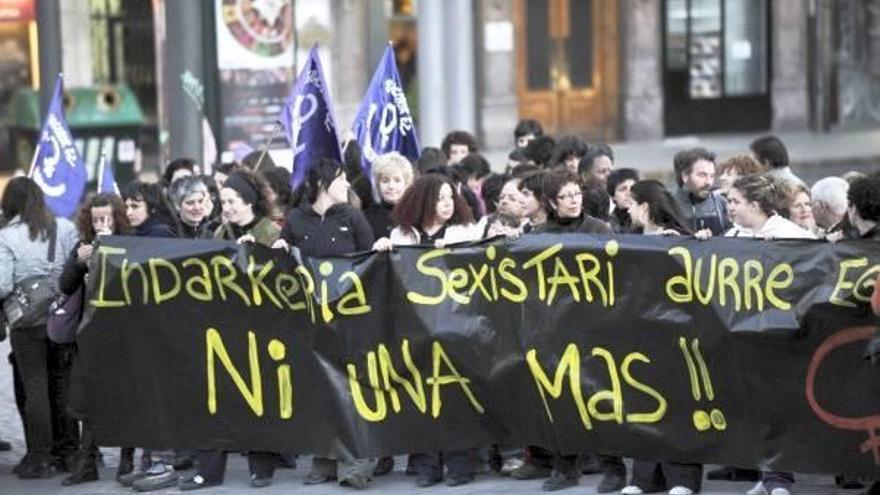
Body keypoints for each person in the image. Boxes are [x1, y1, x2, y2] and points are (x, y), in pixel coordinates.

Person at [273, 158, 377, 490]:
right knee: (320, 387)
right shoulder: (295, 219)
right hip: (311, 319)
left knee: (351, 389)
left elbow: (370, 260)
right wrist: (271, 249)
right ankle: (325, 458)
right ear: (321, 183)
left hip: (349, 319)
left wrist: (383, 249)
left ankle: (358, 461)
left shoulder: (354, 216)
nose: (346, 184)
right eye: (340, 179)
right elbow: (283, 258)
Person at [373, 173, 481, 488]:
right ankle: (426, 464)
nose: (448, 204)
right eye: (441, 198)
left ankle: (460, 464)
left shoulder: (464, 230)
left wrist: (462, 250)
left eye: (451, 197)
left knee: (456, 394)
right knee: (419, 395)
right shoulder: (402, 235)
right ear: (423, 201)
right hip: (415, 328)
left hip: (455, 327)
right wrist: (381, 249)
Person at [178, 169, 282, 491]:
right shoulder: (219, 233)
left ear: (249, 201)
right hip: (222, 327)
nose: (228, 207)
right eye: (223, 201)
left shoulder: (269, 230)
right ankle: (210, 470)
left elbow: (282, 275)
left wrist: (260, 251)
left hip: (259, 329)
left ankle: (261, 466)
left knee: (258, 397)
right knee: (215, 397)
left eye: (233, 201)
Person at [623, 180, 702, 495]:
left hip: (675, 337)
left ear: (645, 206)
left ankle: (682, 479)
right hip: (640, 337)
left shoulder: (679, 242)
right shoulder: (630, 241)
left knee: (678, 406)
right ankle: (644, 479)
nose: (626, 208)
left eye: (631, 203)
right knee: (644, 406)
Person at [0, 177, 79, 479]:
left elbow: (3, 283)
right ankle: (70, 453)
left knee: (35, 389)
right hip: (62, 316)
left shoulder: (7, 236)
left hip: (27, 323)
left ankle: (39, 458)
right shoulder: (65, 227)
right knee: (63, 386)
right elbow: (76, 268)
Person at [58, 193, 131, 486]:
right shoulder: (84, 245)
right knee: (88, 398)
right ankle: (87, 461)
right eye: (96, 218)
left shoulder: (132, 243)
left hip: (127, 332)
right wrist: (78, 262)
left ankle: (127, 460)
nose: (101, 223)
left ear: (117, 217)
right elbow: (65, 285)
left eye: (107, 217)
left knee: (129, 396)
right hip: (91, 332)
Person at [724, 175, 815, 240]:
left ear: (753, 206)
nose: (730, 207)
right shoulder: (731, 235)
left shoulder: (789, 233)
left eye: (736, 202)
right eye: (729, 201)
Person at [672, 147, 731, 237]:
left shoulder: (722, 203)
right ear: (685, 176)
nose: (709, 182)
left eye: (712, 176)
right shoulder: (667, 205)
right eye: (702, 175)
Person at [363, 152, 414, 239]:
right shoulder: (366, 218)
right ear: (378, 184)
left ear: (406, 183)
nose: (391, 186)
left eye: (397, 180)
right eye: (385, 181)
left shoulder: (416, 214)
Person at [607, 168, 639, 233]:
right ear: (613, 196)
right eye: (623, 189)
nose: (629, 193)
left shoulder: (648, 220)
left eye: (633, 188)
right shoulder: (608, 225)